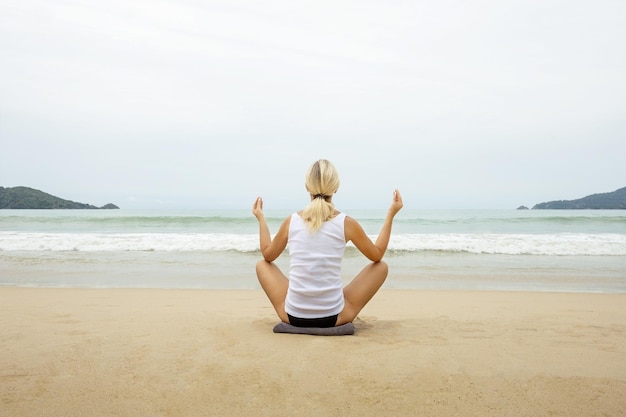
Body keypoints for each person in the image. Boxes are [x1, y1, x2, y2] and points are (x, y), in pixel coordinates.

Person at [252, 159, 403, 328]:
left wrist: (260, 218)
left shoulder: (291, 221)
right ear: (336, 188)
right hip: (334, 317)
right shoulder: (346, 223)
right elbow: (377, 254)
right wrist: (391, 213)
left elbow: (267, 254)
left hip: (292, 316)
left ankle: (304, 303)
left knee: (262, 265)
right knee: (381, 266)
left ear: (307, 187)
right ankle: (328, 304)